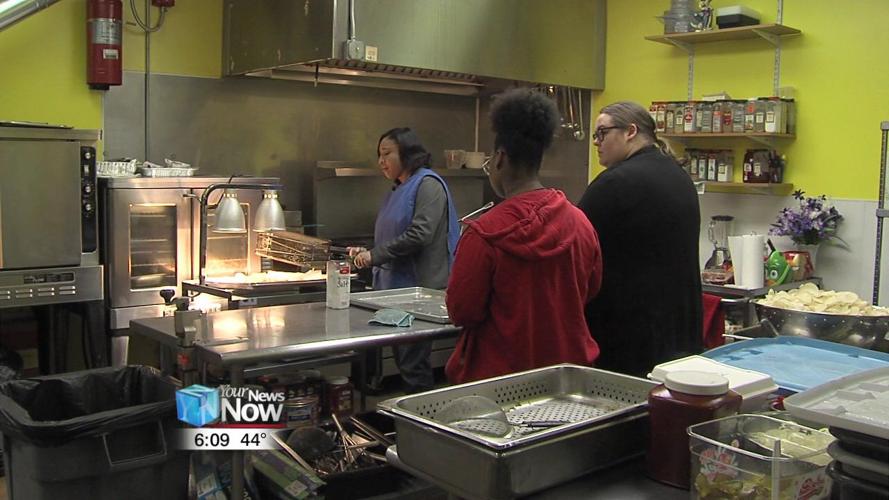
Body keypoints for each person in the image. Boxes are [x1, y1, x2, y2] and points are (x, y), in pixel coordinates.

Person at [445, 88, 603, 384]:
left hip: (500, 383)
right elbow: (589, 291)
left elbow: (461, 311)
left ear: (500, 158)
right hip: (569, 380)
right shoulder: (580, 223)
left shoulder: (484, 233)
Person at [577, 101, 702, 377]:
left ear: (630, 131)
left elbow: (575, 248)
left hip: (629, 337)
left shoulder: (614, 183)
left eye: (602, 133)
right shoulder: (678, 176)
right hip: (679, 331)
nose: (596, 142)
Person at [350, 127, 460, 393]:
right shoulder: (398, 188)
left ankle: (423, 422)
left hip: (419, 293)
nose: (381, 161)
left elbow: (419, 234)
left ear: (408, 154)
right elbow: (394, 234)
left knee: (413, 365)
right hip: (396, 292)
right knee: (405, 361)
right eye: (379, 154)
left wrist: (374, 255)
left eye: (387, 153)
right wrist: (364, 251)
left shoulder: (428, 185)